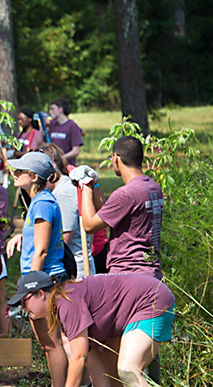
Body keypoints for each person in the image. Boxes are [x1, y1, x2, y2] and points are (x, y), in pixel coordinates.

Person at [9, 270, 175, 387]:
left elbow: (80, 357)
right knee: (113, 369)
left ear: (40, 294)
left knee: (128, 369)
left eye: (24, 301)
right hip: (128, 313)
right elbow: (92, 359)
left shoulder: (67, 301)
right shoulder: (62, 304)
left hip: (151, 301)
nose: (23, 308)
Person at [4, 152, 68, 387]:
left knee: (52, 343)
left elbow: (41, 250)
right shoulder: (40, 201)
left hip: (45, 282)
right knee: (47, 342)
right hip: (44, 281)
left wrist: (31, 287)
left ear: (33, 177)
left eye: (20, 171)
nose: (14, 173)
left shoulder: (42, 203)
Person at [74, 136, 163, 280]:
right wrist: (95, 185)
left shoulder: (126, 193)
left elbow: (89, 225)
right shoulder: (153, 187)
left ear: (116, 158)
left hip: (127, 273)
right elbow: (109, 212)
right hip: (151, 272)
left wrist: (85, 187)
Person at [40, 143, 94, 278]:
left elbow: (63, 242)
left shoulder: (64, 193)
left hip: (77, 273)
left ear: (51, 167)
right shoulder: (55, 191)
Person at [47, 98, 83, 165]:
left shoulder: (72, 126)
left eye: (52, 109)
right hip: (53, 166)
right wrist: (42, 126)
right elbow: (39, 143)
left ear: (60, 109)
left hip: (67, 167)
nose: (50, 112)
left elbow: (76, 151)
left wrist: (60, 159)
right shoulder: (52, 125)